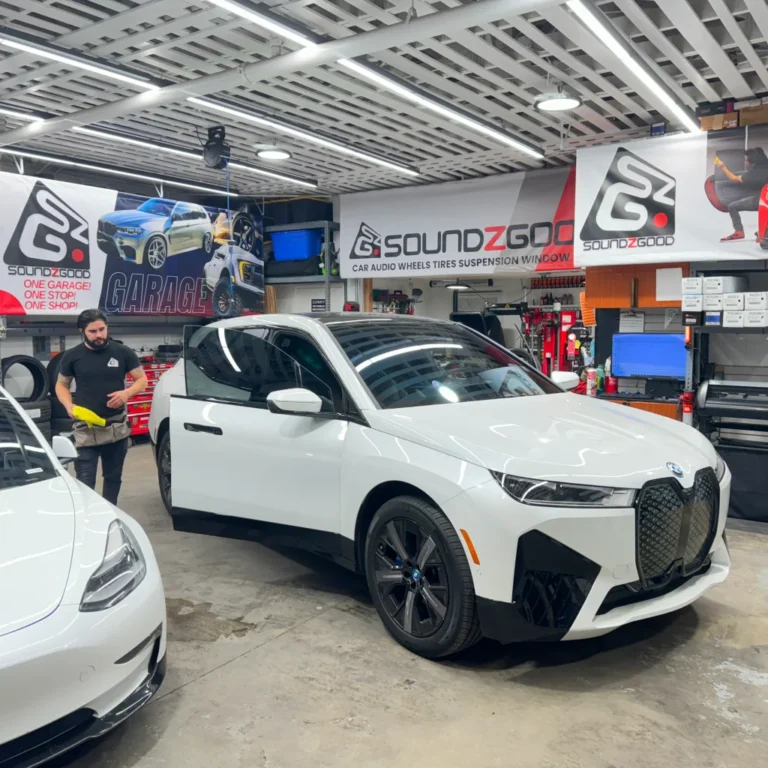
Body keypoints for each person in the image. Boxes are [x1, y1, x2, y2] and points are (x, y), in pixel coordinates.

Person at [55, 309, 147, 505]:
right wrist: (68, 405)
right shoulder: (72, 356)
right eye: (93, 331)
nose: (99, 335)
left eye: (102, 330)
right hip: (85, 430)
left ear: (107, 327)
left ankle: (110, 513)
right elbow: (61, 384)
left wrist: (126, 394)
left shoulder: (122, 352)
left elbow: (142, 380)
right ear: (82, 331)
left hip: (116, 430)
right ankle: (88, 518)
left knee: (113, 479)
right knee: (85, 481)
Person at [716, 147, 768, 242]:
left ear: (751, 162)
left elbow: (734, 178)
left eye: (746, 160)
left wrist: (723, 167)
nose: (745, 162)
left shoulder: (753, 174)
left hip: (761, 201)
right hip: (764, 201)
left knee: (732, 206)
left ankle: (739, 232)